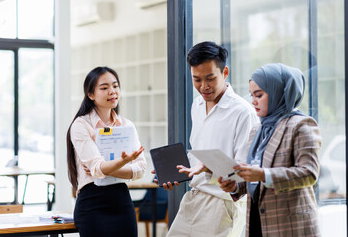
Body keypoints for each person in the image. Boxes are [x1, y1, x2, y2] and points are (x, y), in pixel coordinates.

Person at [162, 41, 258, 237]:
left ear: (225, 73)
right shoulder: (197, 105)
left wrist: (208, 167)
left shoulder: (243, 113)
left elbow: (242, 173)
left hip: (223, 205)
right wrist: (175, 171)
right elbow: (197, 153)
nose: (203, 87)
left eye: (210, 79)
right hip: (193, 198)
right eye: (196, 80)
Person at [218, 63, 321, 237]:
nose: (253, 101)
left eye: (259, 95)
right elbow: (255, 179)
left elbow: (309, 174)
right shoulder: (257, 131)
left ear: (277, 92)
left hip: (291, 227)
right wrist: (236, 186)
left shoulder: (302, 125)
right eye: (252, 95)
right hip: (258, 223)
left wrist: (264, 175)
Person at [66, 66, 146, 237]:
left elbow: (140, 169)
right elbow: (97, 167)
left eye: (115, 86)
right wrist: (122, 163)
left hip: (121, 202)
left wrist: (109, 168)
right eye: (104, 88)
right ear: (91, 94)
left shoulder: (126, 125)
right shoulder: (81, 125)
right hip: (92, 205)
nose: (112, 91)